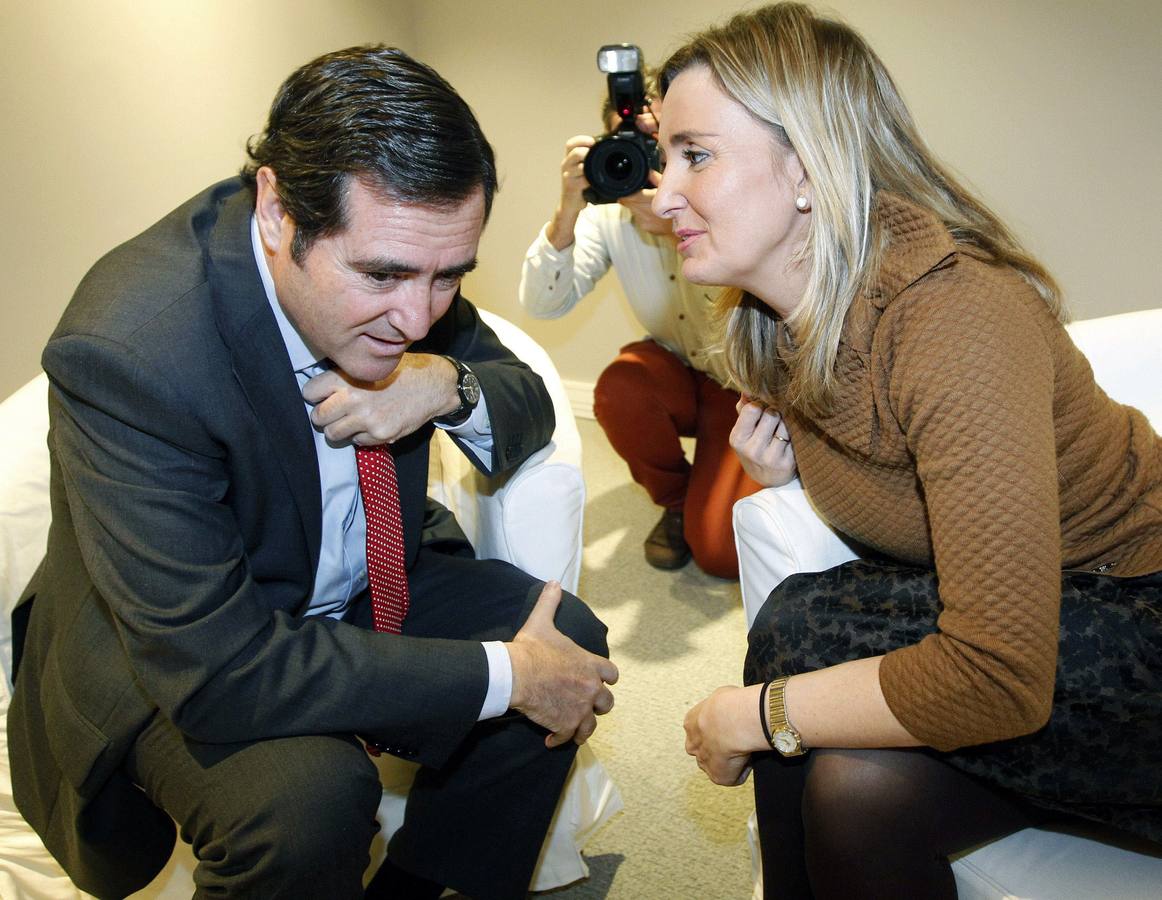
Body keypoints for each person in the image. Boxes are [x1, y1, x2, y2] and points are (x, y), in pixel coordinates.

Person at [7, 46, 618, 900]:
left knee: (570, 639)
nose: (415, 316)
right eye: (384, 275)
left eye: (448, 277)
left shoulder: (404, 262)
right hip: (187, 641)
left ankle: (416, 885)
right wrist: (509, 675)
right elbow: (223, 671)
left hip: (364, 572)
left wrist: (441, 386)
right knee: (309, 804)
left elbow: (524, 399)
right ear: (274, 210)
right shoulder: (131, 350)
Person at [651, 4, 1162, 898]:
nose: (661, 194)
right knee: (856, 791)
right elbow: (920, 518)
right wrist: (798, 483)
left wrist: (752, 716)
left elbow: (998, 677)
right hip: (1060, 623)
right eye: (664, 157)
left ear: (807, 167)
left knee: (793, 636)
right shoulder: (785, 328)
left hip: (1142, 616)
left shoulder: (954, 320)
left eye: (696, 154)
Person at [519, 81, 760, 577]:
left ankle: (719, 492)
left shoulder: (727, 199)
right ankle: (677, 501)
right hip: (676, 365)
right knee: (621, 388)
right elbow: (542, 303)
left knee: (720, 554)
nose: (641, 161)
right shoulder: (611, 214)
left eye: (656, 144)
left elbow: (750, 313)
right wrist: (568, 210)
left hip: (742, 385)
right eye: (623, 146)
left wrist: (680, 229)